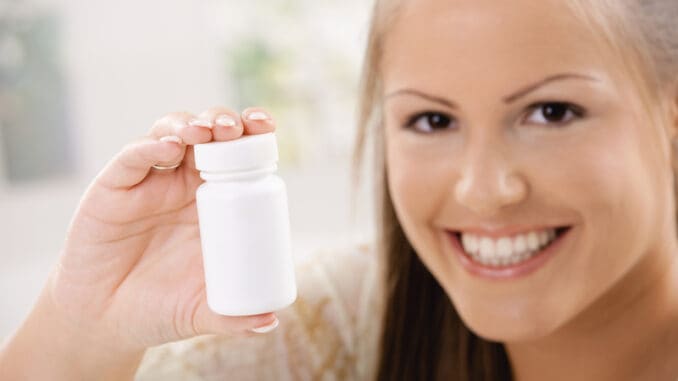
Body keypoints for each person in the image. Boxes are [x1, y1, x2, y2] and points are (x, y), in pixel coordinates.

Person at [2, 0, 678, 379]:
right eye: (432, 119)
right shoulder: (335, 330)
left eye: (551, 112)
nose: (484, 190)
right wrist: (87, 322)